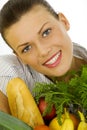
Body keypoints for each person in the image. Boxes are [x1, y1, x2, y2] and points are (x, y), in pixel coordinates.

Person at [0, 0, 87, 107]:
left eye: (46, 32)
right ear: (19, 56)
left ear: (64, 22)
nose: (43, 51)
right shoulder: (11, 75)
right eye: (26, 48)